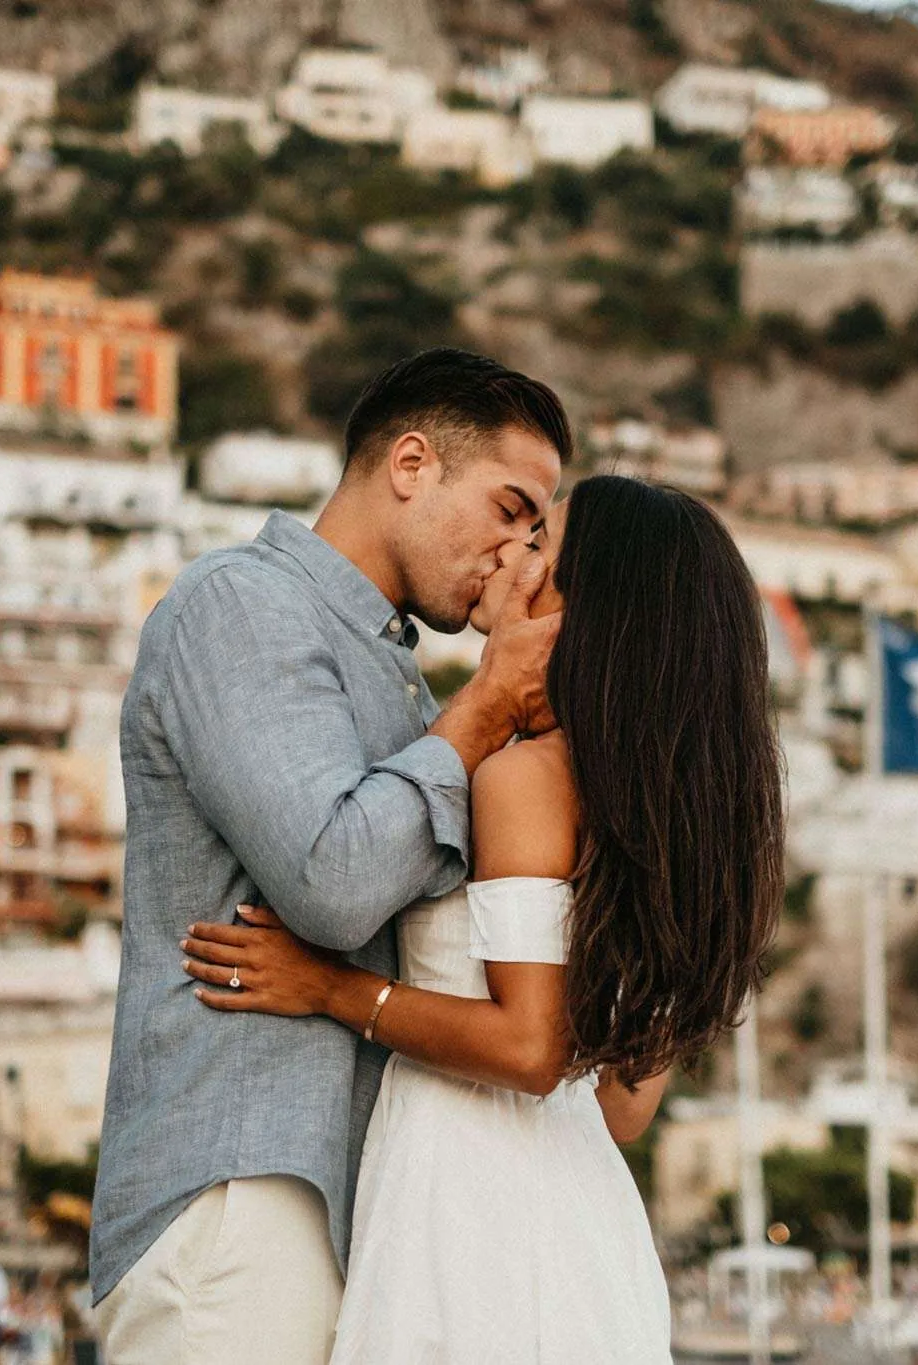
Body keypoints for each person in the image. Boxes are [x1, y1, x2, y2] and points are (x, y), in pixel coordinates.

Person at [182, 476, 786, 1362]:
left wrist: (332, 988)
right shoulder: (663, 816)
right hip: (587, 1225)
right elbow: (622, 1107)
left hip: (471, 1208)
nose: (514, 555)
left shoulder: (524, 777)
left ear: (586, 608)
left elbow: (531, 1049)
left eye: (542, 545)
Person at [88, 347, 570, 1365]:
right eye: (508, 508)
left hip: (338, 1198)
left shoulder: (390, 674)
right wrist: (483, 707)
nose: (516, 549)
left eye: (536, 531)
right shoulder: (241, 607)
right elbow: (333, 882)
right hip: (241, 1187)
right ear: (409, 465)